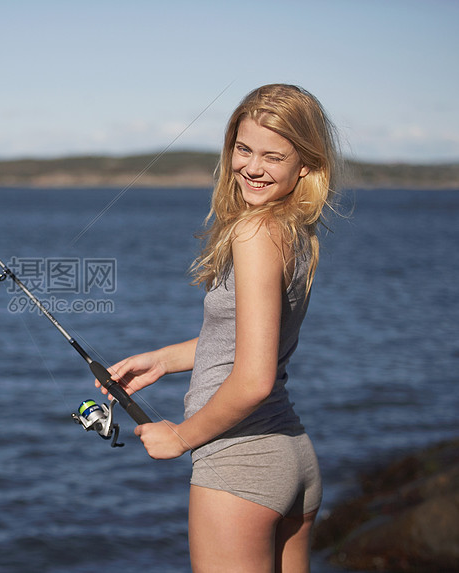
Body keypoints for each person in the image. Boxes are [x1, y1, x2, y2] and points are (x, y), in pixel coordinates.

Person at [96, 84, 340, 572]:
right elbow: (250, 343)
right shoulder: (292, 230)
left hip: (241, 468)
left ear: (306, 167)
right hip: (294, 458)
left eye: (273, 156)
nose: (252, 166)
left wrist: (182, 437)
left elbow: (253, 380)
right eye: (243, 148)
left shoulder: (253, 232)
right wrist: (165, 360)